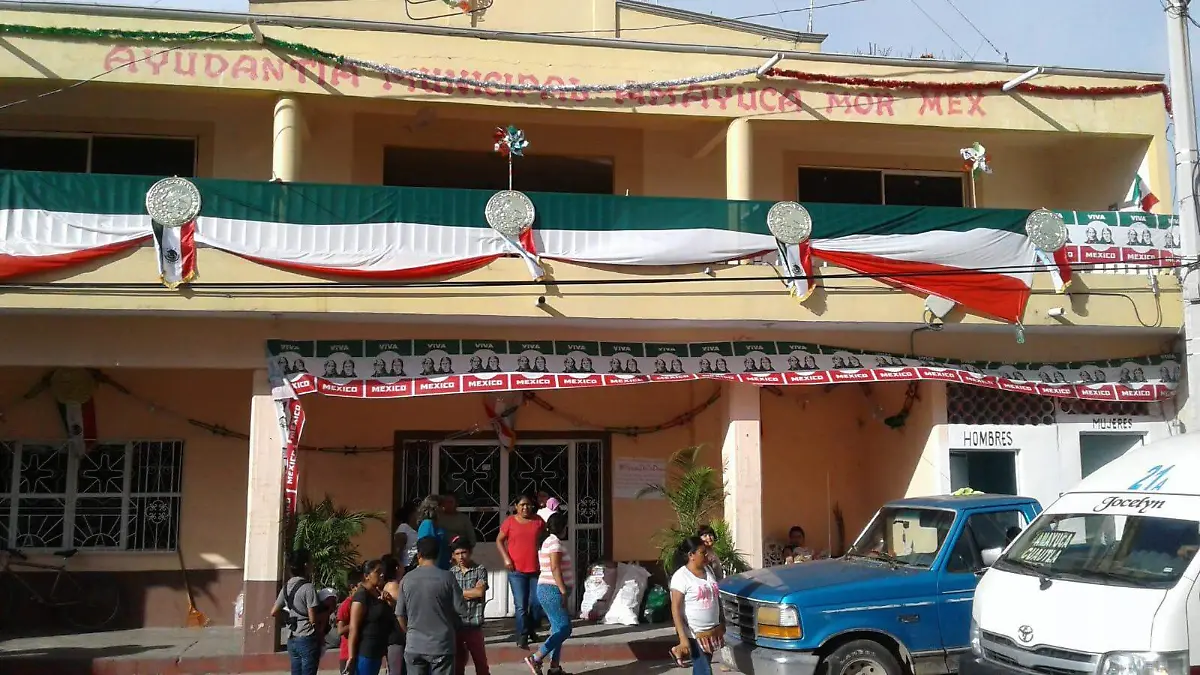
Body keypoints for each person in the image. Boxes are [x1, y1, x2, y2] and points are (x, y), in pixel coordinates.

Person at [397, 536, 468, 675]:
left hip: (414, 645)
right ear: (438, 554)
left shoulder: (406, 579)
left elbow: (400, 615)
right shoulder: (448, 578)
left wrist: (410, 633)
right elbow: (462, 609)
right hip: (442, 645)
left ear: (419, 555)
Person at [524, 512, 574, 675]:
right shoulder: (554, 543)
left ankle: (554, 667)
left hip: (548, 589)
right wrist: (563, 591)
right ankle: (536, 657)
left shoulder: (548, 541)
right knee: (565, 629)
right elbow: (555, 568)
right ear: (562, 527)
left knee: (556, 629)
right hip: (552, 590)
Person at [669, 537, 725, 675]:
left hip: (711, 632)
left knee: (702, 668)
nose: (706, 556)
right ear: (691, 555)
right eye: (702, 553)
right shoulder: (681, 577)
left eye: (706, 552)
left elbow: (716, 598)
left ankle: (677, 651)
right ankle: (679, 649)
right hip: (694, 633)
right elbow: (675, 609)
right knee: (704, 670)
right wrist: (683, 638)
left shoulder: (708, 570)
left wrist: (722, 621)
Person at [497, 494, 546, 649]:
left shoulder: (538, 521)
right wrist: (506, 559)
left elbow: (545, 539)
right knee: (521, 605)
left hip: (535, 570)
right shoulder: (510, 522)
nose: (525, 508)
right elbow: (499, 540)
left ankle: (531, 629)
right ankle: (522, 635)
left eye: (528, 504)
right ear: (516, 507)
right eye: (522, 505)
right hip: (516, 571)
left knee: (537, 603)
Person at [271, 548, 321, 675]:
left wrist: (288, 618)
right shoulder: (308, 588)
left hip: (292, 637)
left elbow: (274, 611)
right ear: (305, 565)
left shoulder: (286, 586)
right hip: (306, 636)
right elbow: (313, 619)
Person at [346, 559, 398, 675]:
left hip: (377, 652)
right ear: (367, 576)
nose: (382, 574)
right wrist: (351, 656)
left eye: (383, 571)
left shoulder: (378, 593)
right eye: (378, 572)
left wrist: (389, 601)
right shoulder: (361, 596)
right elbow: (353, 628)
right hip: (366, 653)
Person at [451, 537, 490, 675]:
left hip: (474, 624)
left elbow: (479, 592)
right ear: (453, 555)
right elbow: (449, 596)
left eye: (463, 552)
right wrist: (470, 593)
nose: (461, 557)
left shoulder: (479, 570)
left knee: (481, 664)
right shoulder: (451, 573)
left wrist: (458, 593)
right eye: (457, 553)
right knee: (457, 665)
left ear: (470, 552)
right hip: (456, 625)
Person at [381, 555, 407, 675]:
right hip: (396, 635)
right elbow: (401, 609)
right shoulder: (393, 586)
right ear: (397, 568)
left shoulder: (394, 585)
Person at [336, 569, 364, 674]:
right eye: (362, 585)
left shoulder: (363, 602)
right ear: (353, 587)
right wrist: (355, 621)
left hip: (360, 652)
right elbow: (340, 630)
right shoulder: (346, 605)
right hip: (347, 654)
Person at [417, 494, 452, 570]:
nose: (443, 509)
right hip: (433, 569)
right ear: (434, 508)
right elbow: (427, 550)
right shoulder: (427, 525)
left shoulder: (436, 525)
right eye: (441, 506)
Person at [395, 501, 420, 571]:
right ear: (411, 515)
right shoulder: (403, 528)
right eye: (417, 513)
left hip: (417, 565)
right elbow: (398, 550)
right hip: (408, 565)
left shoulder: (416, 529)